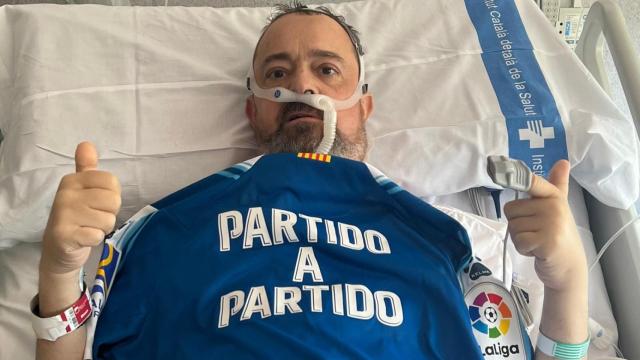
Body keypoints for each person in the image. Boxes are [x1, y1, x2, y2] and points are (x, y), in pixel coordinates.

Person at [34, 3, 588, 359]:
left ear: (362, 105)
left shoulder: (439, 238)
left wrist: (567, 282)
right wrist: (60, 274)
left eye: (327, 70)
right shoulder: (164, 228)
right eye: (277, 73)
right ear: (254, 109)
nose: (301, 83)